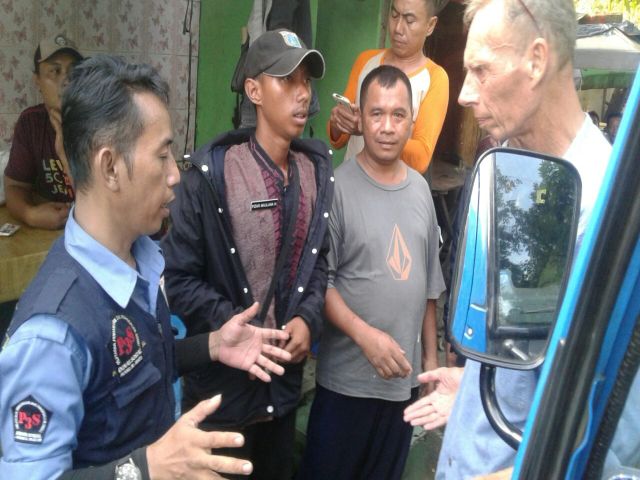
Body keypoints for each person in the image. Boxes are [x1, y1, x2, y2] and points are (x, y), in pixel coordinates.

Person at [0, 54, 293, 480]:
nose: (176, 175)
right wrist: (145, 468)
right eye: (162, 156)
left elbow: (129, 364)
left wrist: (211, 346)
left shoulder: (141, 256)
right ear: (110, 167)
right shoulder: (51, 336)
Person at [402, 0, 612, 478]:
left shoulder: (602, 214)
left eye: (480, 70)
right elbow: (530, 354)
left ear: (536, 60)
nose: (464, 94)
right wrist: (476, 384)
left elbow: (605, 443)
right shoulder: (517, 173)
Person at [160, 29, 333, 479]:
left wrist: (306, 319)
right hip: (221, 402)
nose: (302, 94)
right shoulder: (211, 176)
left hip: (282, 395)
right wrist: (239, 327)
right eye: (286, 80)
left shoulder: (314, 173)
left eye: (306, 82)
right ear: (254, 91)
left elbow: (318, 267)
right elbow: (177, 280)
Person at [298, 65, 446, 480]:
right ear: (359, 119)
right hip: (347, 386)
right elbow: (319, 283)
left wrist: (430, 361)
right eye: (376, 114)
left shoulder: (420, 190)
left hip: (403, 388)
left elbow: (429, 285)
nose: (386, 127)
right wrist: (366, 337)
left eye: (398, 115)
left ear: (411, 122)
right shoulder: (336, 188)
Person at [328, 0, 450, 174]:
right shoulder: (366, 61)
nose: (398, 28)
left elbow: (421, 158)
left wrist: (368, 128)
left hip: (394, 193)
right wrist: (338, 122)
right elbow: (339, 140)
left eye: (409, 20)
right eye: (394, 16)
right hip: (353, 183)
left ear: (430, 25)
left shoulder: (435, 78)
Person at [3, 34, 82, 230]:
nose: (66, 81)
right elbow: (15, 186)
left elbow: (110, 200)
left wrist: (66, 150)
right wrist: (30, 214)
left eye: (74, 72)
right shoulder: (31, 122)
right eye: (55, 71)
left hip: (94, 232)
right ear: (37, 80)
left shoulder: (101, 122)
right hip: (45, 233)